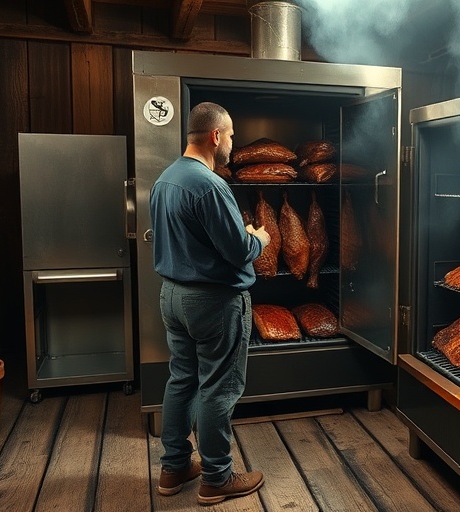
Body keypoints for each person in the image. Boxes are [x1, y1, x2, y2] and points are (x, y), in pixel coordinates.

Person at [149, 101, 271, 506]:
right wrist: (260, 239)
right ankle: (217, 478)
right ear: (215, 135)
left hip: (172, 297)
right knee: (218, 389)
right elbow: (238, 251)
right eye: (232, 135)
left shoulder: (166, 178)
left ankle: (174, 467)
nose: (233, 143)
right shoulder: (209, 185)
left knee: (181, 380)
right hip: (213, 303)